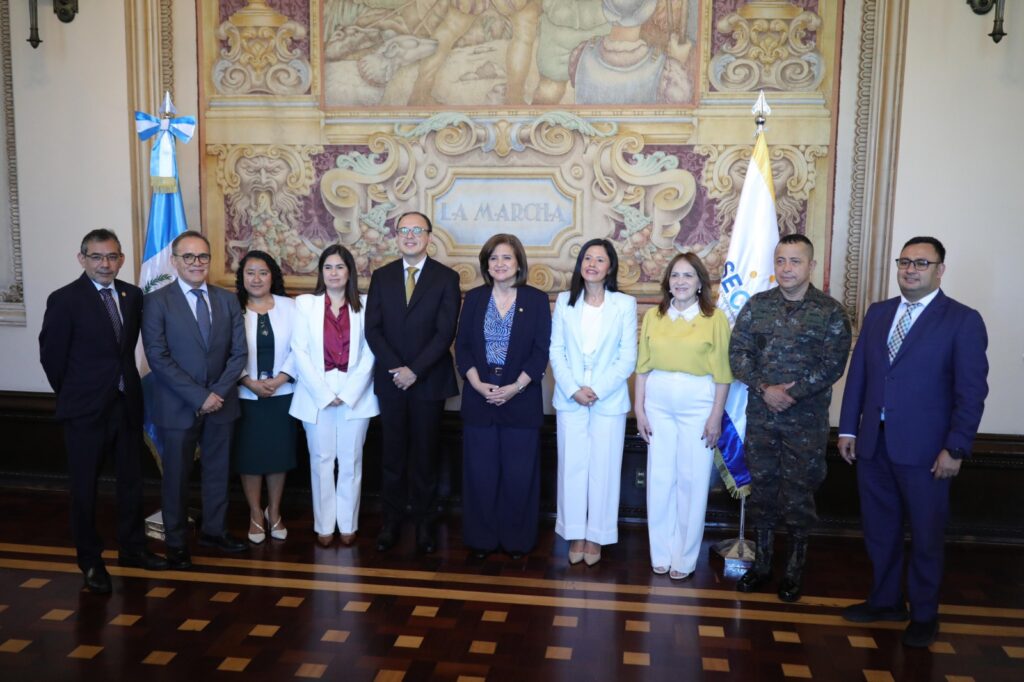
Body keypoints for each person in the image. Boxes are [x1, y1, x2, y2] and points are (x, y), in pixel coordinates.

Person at [838, 236, 988, 648]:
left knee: (925, 536)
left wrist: (955, 448)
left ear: (940, 270)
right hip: (874, 445)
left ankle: (924, 615)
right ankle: (886, 601)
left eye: (922, 263)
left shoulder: (962, 320)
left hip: (928, 452)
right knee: (879, 530)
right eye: (904, 262)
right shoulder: (879, 313)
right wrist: (848, 428)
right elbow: (860, 375)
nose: (910, 269)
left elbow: (971, 392)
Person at [39, 229, 168, 593]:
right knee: (85, 489)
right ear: (82, 259)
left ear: (121, 259)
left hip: (126, 405)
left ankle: (132, 548)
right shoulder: (65, 299)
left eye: (111, 256)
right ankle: (91, 561)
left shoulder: (132, 295)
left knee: (131, 482)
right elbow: (52, 358)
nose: (105, 264)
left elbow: (125, 350)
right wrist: (79, 394)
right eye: (96, 257)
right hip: (85, 411)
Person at [728, 233, 852, 602]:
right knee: (763, 492)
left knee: (799, 494)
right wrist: (765, 388)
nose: (786, 268)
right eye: (781, 260)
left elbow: (833, 364)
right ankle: (763, 565)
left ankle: (794, 571)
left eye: (795, 261)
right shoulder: (757, 306)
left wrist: (791, 393)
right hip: (762, 418)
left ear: (811, 265)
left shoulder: (830, 312)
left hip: (805, 423)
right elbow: (738, 354)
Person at [142, 230, 248, 569]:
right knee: (176, 477)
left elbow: (238, 353)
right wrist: (200, 397)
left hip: (222, 403)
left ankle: (214, 531)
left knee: (218, 472)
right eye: (188, 256)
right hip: (178, 406)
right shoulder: (157, 301)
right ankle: (175, 542)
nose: (196, 263)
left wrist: (217, 393)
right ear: (174, 261)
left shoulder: (227, 300)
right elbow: (158, 357)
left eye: (202, 256)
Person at [365, 212, 461, 554]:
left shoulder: (446, 278)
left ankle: (424, 523)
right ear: (396, 237)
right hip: (391, 380)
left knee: (425, 455)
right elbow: (372, 329)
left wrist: (414, 371)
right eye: (403, 230)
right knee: (391, 455)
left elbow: (445, 332)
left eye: (417, 230)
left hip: (428, 381)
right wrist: (397, 369)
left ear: (429, 237)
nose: (409, 235)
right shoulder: (382, 276)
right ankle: (391, 522)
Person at [634, 253, 731, 580]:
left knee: (692, 480)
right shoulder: (654, 316)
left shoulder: (714, 318)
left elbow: (723, 373)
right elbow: (642, 367)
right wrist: (639, 409)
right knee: (660, 479)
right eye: (675, 275)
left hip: (698, 404)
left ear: (700, 282)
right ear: (668, 282)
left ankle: (685, 557)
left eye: (688, 275)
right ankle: (660, 552)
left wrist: (715, 416)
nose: (680, 281)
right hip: (657, 404)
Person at [455, 234, 551, 559]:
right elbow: (463, 348)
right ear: (486, 265)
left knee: (518, 475)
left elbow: (540, 352)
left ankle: (517, 541)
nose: (500, 264)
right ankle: (481, 539)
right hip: (479, 396)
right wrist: (478, 384)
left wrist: (515, 387)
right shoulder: (475, 298)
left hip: (520, 398)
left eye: (507, 257)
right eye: (493, 258)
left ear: (519, 263)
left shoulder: (536, 300)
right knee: (480, 474)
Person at [549, 239, 637, 566]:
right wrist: (573, 389)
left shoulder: (624, 304)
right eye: (588, 258)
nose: (592, 264)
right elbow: (556, 350)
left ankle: (597, 535)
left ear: (610, 267)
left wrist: (597, 389)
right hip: (570, 397)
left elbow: (627, 357)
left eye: (600, 259)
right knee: (572, 467)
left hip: (608, 398)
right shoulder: (565, 301)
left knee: (604, 469)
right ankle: (575, 533)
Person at [290, 245, 379, 547]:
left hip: (357, 392)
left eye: (340, 267)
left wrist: (350, 391)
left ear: (350, 272)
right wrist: (324, 393)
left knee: (351, 460)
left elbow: (371, 352)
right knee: (321, 460)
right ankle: (325, 525)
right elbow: (299, 351)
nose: (334, 273)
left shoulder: (366, 304)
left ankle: (348, 524)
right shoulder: (306, 304)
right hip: (316, 391)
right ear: (321, 272)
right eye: (328, 267)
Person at [233, 250, 298, 545]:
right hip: (245, 395)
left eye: (263, 272)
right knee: (250, 456)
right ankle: (255, 512)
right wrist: (248, 381)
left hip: (282, 394)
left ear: (273, 276)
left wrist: (281, 378)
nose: (256, 279)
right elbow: (225, 350)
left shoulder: (290, 307)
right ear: (242, 277)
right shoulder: (231, 307)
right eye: (250, 273)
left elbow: (300, 347)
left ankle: (275, 510)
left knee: (277, 455)